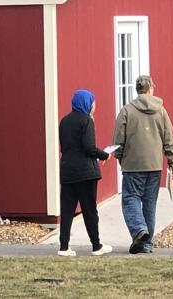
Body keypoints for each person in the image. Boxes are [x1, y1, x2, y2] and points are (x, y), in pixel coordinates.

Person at [112, 74, 173, 255]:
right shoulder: (161, 111)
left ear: (137, 89)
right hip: (154, 165)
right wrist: (172, 162)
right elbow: (169, 138)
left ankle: (139, 229)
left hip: (132, 164)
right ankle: (147, 242)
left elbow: (118, 139)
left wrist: (120, 156)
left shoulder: (127, 111)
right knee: (149, 203)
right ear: (151, 88)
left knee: (130, 198)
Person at [57, 89, 113, 257]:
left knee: (67, 210)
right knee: (89, 209)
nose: (94, 105)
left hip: (67, 171)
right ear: (87, 103)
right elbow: (89, 147)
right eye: (93, 102)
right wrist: (105, 154)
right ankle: (96, 246)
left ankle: (64, 247)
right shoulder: (86, 120)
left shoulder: (64, 121)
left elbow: (66, 146)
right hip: (85, 173)